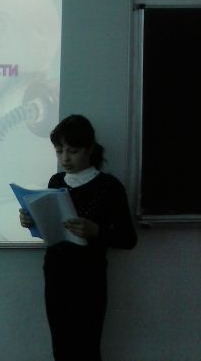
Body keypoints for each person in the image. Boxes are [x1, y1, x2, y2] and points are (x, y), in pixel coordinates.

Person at [19, 114, 137, 361]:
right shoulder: (56, 181)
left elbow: (128, 239)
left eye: (72, 151)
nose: (65, 159)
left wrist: (96, 231)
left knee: (87, 346)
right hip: (56, 272)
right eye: (59, 151)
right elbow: (52, 229)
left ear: (89, 149)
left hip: (88, 277)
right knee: (61, 346)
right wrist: (32, 221)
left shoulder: (109, 186)